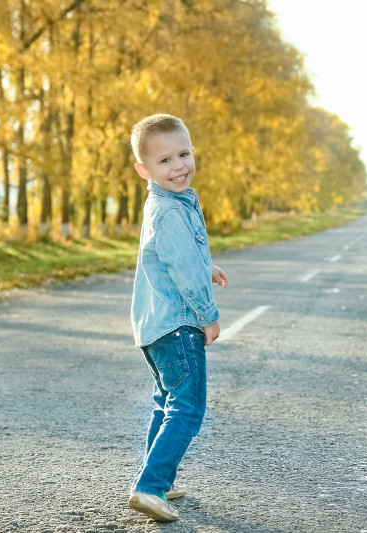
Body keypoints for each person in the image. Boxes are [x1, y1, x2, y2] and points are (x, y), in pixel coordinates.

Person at [127, 114, 228, 522]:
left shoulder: (168, 203)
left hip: (155, 326)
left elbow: (180, 255)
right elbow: (181, 270)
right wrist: (209, 316)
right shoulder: (169, 210)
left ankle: (159, 482)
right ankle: (150, 487)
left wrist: (207, 265)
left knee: (166, 402)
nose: (179, 166)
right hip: (177, 324)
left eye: (183, 154)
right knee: (186, 408)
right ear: (144, 170)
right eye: (165, 160)